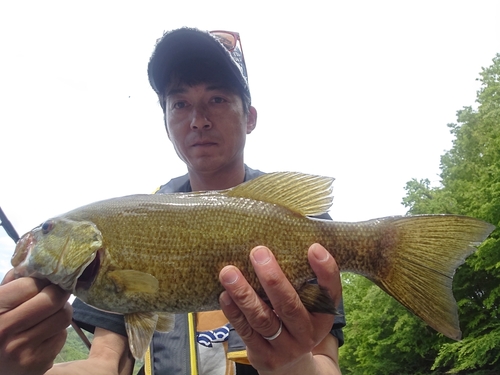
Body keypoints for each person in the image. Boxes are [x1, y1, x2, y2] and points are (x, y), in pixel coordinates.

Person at [0, 27, 345, 375]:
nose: (198, 120)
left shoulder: (300, 220)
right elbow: (106, 362)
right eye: (180, 103)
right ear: (166, 122)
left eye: (217, 99)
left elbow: (325, 362)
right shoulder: (128, 225)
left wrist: (294, 365)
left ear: (250, 117)